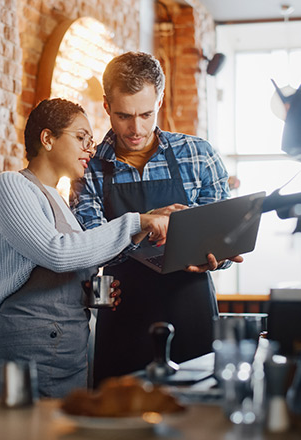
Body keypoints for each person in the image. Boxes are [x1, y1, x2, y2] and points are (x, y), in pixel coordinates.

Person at [0, 98, 169, 398]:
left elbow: (65, 265)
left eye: (91, 141)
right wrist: (136, 222)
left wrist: (87, 293)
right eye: (81, 138)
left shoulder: (60, 202)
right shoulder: (10, 185)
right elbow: (57, 253)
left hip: (67, 356)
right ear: (47, 138)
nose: (90, 149)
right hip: (23, 356)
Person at [71, 51, 243, 385]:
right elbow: (90, 248)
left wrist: (219, 256)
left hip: (191, 309)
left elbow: (223, 238)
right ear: (106, 106)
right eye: (123, 116)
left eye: (146, 114)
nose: (136, 128)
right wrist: (144, 223)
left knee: (197, 410)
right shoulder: (88, 169)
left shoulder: (199, 155)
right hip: (124, 317)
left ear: (160, 101)